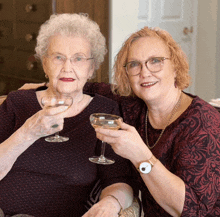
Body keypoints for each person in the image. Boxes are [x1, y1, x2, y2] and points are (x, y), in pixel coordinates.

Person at [2, 26, 220, 217]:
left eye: (155, 61)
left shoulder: (204, 122)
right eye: (134, 64)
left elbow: (191, 211)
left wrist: (140, 155)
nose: (145, 72)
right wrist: (44, 87)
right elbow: (81, 84)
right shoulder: (132, 107)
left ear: (176, 65)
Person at [0, 13, 134, 217]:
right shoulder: (18, 103)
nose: (67, 67)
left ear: (91, 68)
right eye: (58, 57)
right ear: (45, 64)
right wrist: (27, 132)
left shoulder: (105, 112)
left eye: (78, 58)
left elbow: (118, 179)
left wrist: (111, 203)